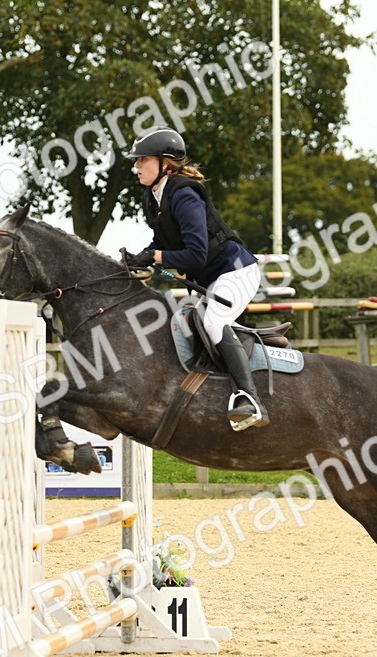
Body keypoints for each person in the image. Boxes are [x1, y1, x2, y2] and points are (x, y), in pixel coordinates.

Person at [123, 127, 266, 430]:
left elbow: (196, 255)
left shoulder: (185, 194)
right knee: (187, 321)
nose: (136, 167)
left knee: (214, 322)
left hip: (236, 270)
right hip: (213, 278)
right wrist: (141, 257)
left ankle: (249, 398)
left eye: (142, 161)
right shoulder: (152, 196)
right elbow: (163, 240)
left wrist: (156, 257)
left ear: (166, 163)